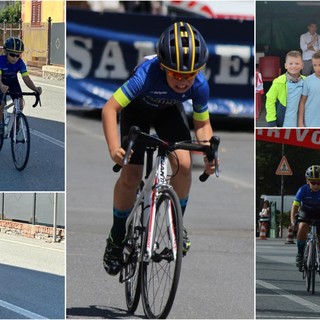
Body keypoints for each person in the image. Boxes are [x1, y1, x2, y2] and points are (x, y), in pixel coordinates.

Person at [101, 21, 216, 276]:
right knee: (131, 175)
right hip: (137, 112)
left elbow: (203, 123)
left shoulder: (200, 85)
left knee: (184, 165)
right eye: (176, 74)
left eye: (190, 75)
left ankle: (177, 225)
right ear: (163, 67)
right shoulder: (146, 75)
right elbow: (110, 109)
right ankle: (116, 237)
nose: (183, 81)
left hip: (168, 113)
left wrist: (209, 152)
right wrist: (113, 148)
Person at [0, 37, 42, 130]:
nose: (15, 58)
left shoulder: (20, 63)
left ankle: (17, 122)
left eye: (18, 55)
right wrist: (2, 86)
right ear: (6, 52)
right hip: (1, 82)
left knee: (20, 102)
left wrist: (35, 89)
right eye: (12, 54)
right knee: (1, 103)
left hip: (12, 82)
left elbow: (26, 78)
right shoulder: (1, 61)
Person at [290, 165, 320, 270]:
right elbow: (295, 207)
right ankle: (300, 253)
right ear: (308, 181)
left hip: (318, 212)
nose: (316, 185)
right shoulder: (302, 190)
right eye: (313, 182)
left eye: (319, 183)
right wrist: (293, 221)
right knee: (302, 226)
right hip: (305, 212)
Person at [265, 50, 305, 127]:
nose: (294, 66)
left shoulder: (306, 81)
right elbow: (270, 101)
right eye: (290, 63)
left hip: (300, 124)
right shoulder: (278, 82)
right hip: (283, 124)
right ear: (285, 65)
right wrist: (271, 122)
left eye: (297, 63)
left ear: (302, 65)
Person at [298, 51, 320, 127]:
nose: (317, 68)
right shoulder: (308, 80)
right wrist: (300, 122)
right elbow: (302, 102)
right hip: (310, 122)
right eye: (315, 65)